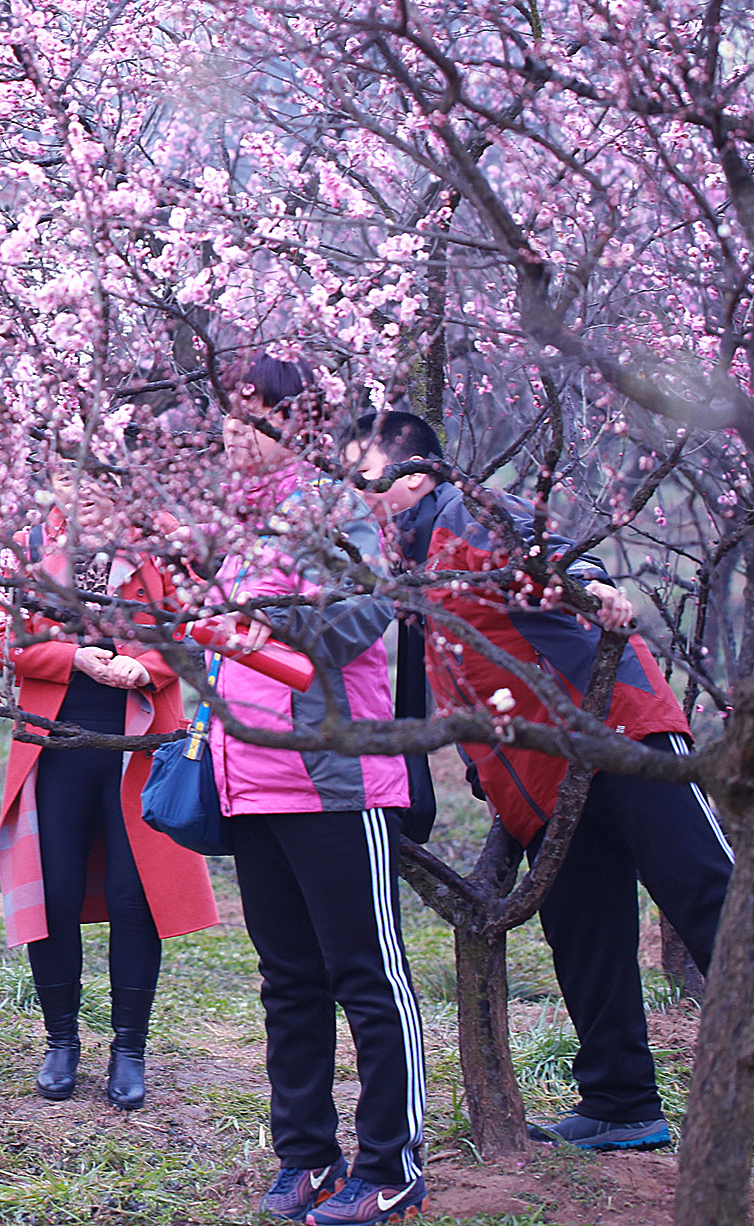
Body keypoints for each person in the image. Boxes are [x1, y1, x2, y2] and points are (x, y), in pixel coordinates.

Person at [347, 409, 754, 1146]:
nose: (356, 491)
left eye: (365, 474)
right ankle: (619, 1102)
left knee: (697, 884)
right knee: (584, 934)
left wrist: (586, 584)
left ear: (416, 475)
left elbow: (552, 560)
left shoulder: (469, 514)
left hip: (611, 727)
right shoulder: (399, 565)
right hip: (534, 771)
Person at [209, 356, 426, 1226]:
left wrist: (267, 611)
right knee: (287, 982)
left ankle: (391, 1165)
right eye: (228, 414)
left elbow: (362, 619)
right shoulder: (238, 525)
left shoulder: (343, 512)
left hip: (335, 782)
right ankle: (307, 1157)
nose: (231, 432)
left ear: (296, 426)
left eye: (251, 417)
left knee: (368, 979)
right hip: (253, 783)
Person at [0, 482, 216, 1108]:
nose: (85, 489)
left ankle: (129, 1048)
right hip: (55, 741)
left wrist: (150, 666)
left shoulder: (167, 542)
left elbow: (199, 625)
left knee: (133, 892)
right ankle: (60, 1041)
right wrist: (71, 658)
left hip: (141, 743)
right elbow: (2, 642)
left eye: (104, 477)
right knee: (53, 889)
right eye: (68, 472)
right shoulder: (27, 541)